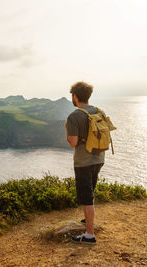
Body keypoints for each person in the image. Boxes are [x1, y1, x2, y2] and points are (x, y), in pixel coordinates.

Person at [65, 81, 105, 244]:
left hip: (83, 162)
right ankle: (87, 220)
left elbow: (73, 142)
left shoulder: (74, 116)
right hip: (99, 158)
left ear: (75, 96)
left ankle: (89, 234)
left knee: (86, 196)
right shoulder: (99, 111)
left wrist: (67, 130)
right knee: (91, 190)